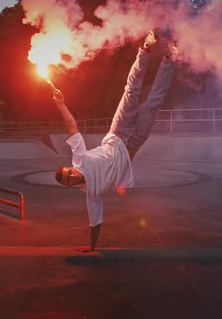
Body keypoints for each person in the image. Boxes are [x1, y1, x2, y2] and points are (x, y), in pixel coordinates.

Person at [52, 30, 178, 252]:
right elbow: (95, 222)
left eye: (68, 171)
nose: (71, 174)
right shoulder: (93, 194)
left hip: (118, 131)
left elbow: (72, 127)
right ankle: (170, 58)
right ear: (69, 185)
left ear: (71, 168)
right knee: (152, 103)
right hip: (133, 144)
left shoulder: (79, 159)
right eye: (68, 179)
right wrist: (92, 247)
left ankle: (146, 48)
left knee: (131, 93)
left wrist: (61, 104)